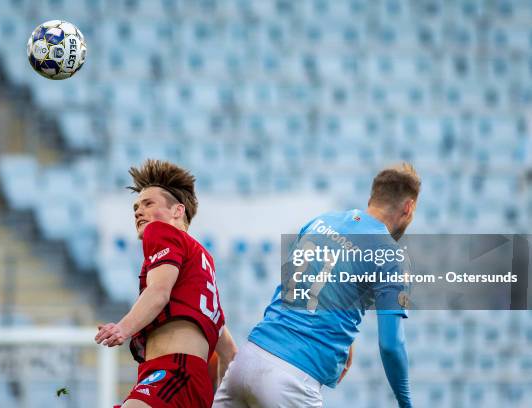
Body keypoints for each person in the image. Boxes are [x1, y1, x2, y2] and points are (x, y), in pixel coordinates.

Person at [214, 163, 420, 408]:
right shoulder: (390, 254)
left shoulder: (321, 222)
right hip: (292, 380)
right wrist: (405, 402)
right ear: (408, 208)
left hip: (248, 359)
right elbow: (391, 345)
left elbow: (297, 287)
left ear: (371, 198)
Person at [95, 159, 237, 408]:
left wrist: (122, 328)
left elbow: (159, 292)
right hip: (191, 384)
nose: (139, 211)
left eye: (148, 203)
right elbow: (229, 353)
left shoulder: (161, 232)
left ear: (178, 211)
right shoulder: (202, 265)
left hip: (172, 372)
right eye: (136, 207)